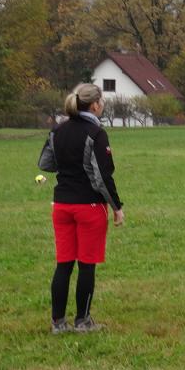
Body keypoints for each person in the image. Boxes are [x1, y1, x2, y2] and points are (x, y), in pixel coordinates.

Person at [42, 83, 124, 334]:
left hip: (61, 206)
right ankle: (82, 321)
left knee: (64, 264)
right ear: (95, 105)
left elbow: (46, 163)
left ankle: (58, 323)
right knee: (87, 264)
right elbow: (102, 176)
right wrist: (117, 207)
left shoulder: (58, 129)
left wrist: (68, 166)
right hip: (89, 206)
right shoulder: (96, 133)